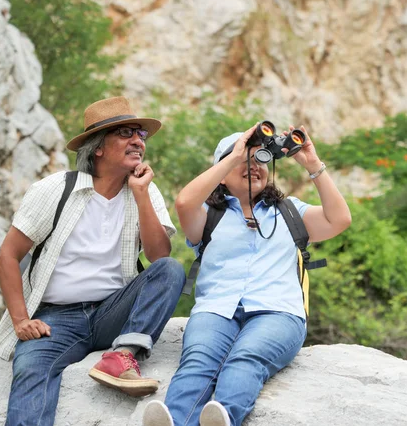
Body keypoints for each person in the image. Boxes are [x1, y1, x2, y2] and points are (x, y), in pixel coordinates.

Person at [142, 124, 351, 426]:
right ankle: (174, 420)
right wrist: (233, 154)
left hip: (278, 313)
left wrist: (313, 165)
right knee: (199, 360)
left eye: (261, 159)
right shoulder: (207, 216)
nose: (254, 166)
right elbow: (184, 201)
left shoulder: (290, 211)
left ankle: (222, 416)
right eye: (243, 161)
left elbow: (339, 219)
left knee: (246, 357)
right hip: (216, 310)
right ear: (222, 173)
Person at [0, 96, 185, 426]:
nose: (138, 141)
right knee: (30, 370)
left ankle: (123, 355)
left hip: (112, 312)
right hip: (56, 319)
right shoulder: (56, 189)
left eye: (140, 133)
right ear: (97, 147)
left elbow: (159, 256)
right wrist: (21, 319)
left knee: (171, 270)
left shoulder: (145, 190)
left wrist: (141, 194)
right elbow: (8, 255)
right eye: (126, 133)